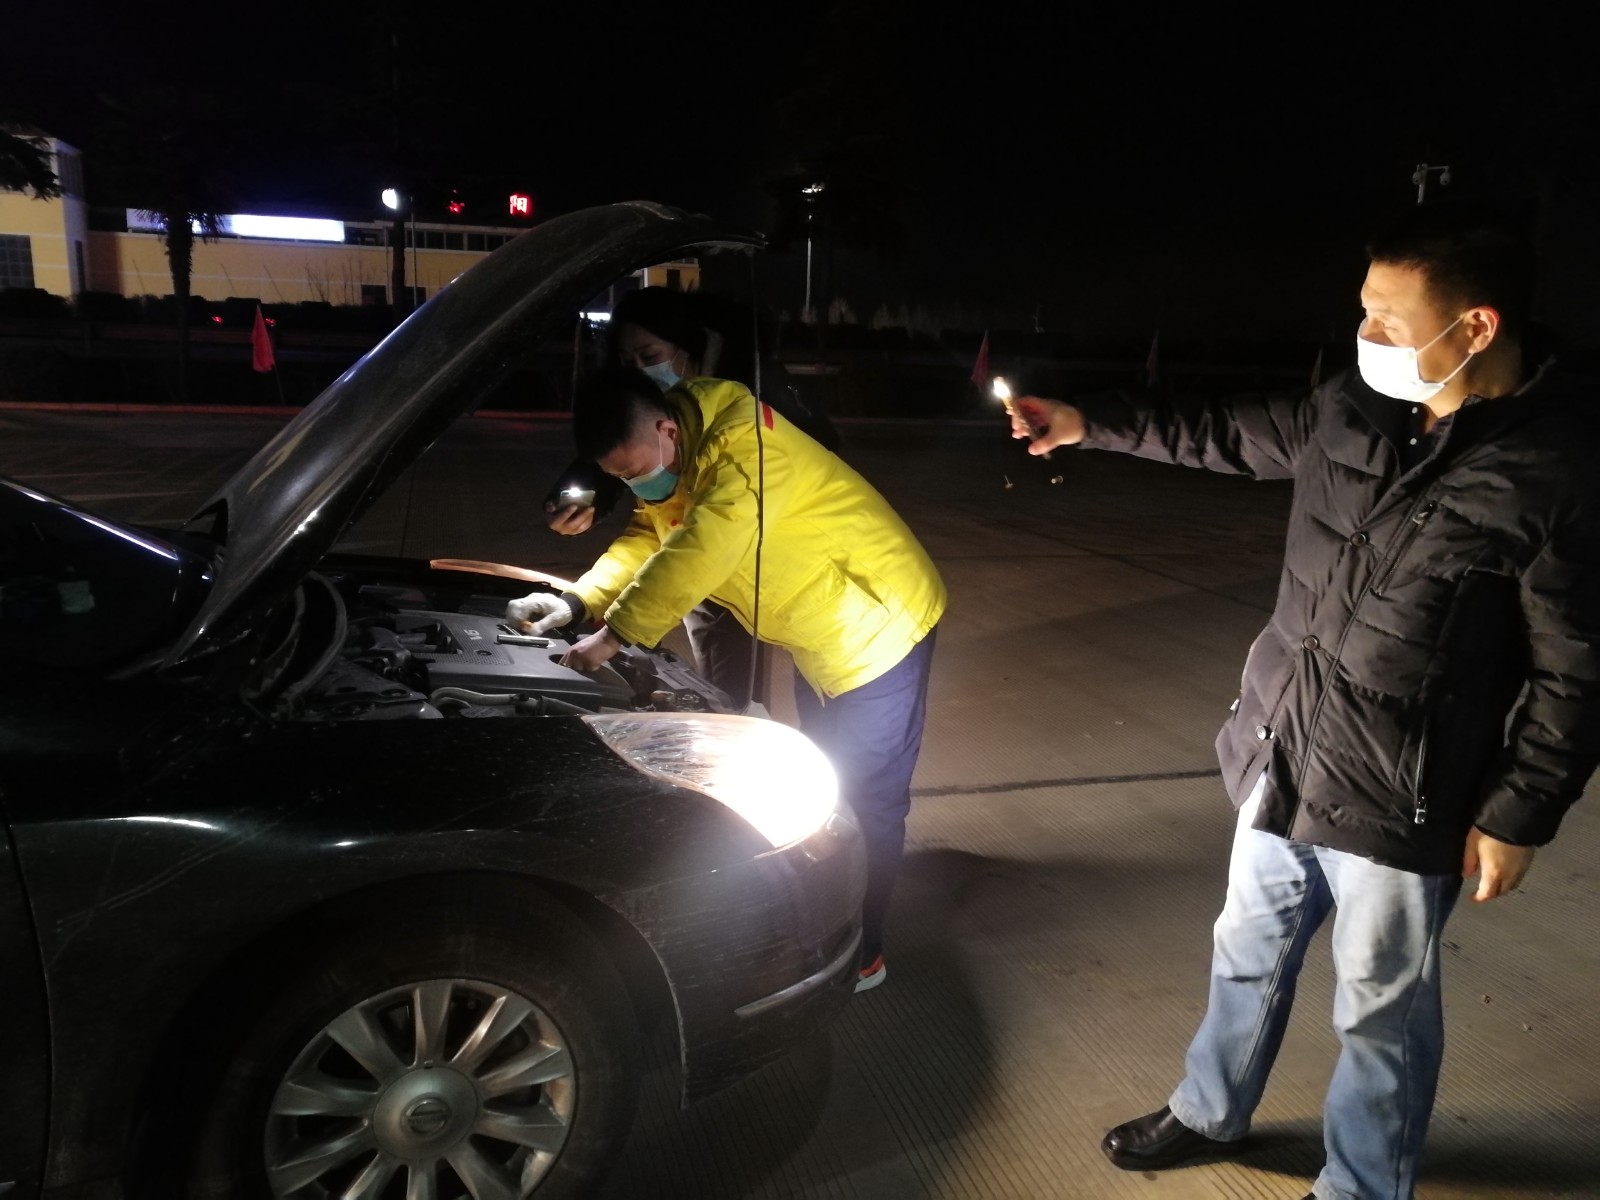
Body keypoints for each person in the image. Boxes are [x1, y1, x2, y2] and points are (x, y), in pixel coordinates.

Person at [1009, 203, 1600, 1200]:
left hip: (1400, 794)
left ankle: (1362, 1185)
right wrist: (1086, 422)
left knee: (1379, 1012)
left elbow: (1576, 669)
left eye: (1387, 318)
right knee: (1244, 950)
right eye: (1363, 309)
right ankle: (1210, 1108)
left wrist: (1518, 813)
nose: (1365, 333)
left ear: (1476, 326)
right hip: (1282, 751)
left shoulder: (1558, 471)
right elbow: (1221, 433)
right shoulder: (1350, 411)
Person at [513, 365, 945, 992]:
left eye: (635, 472)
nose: (635, 487)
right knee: (829, 784)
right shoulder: (680, 450)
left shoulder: (745, 451)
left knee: (869, 796)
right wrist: (579, 600)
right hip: (823, 634)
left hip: (879, 625)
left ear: (666, 429)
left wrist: (612, 637)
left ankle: (864, 952)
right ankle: (827, 910)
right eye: (621, 478)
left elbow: (704, 546)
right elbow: (651, 536)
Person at [542, 286, 840, 702]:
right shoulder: (655, 417)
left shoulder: (747, 404)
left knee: (821, 679)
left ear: (688, 347)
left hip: (775, 559)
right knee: (728, 691)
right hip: (708, 567)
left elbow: (709, 541)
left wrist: (614, 635)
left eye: (649, 355)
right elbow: (648, 520)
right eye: (627, 362)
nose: (639, 371)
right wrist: (588, 495)